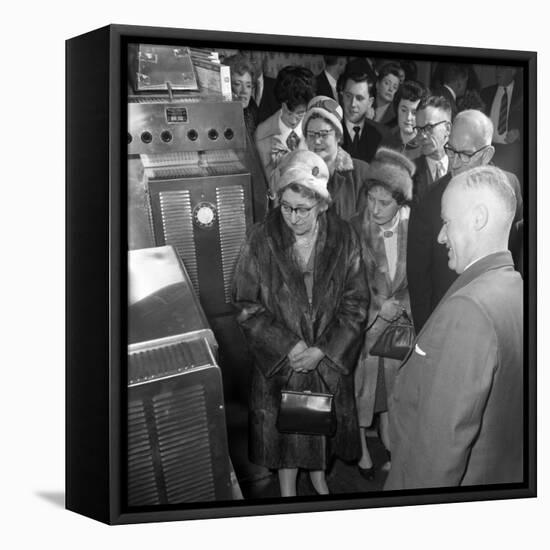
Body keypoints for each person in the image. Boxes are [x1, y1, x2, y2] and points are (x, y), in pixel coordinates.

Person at [232, 149, 369, 497]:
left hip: (324, 360)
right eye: (286, 206)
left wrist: (323, 350)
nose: (292, 217)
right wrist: (290, 346)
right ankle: (288, 492)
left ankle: (319, 476)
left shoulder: (344, 237)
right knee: (287, 438)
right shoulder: (260, 238)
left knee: (320, 428)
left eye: (302, 209)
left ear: (322, 204)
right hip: (282, 362)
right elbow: (246, 305)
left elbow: (356, 303)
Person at [385, 165, 523, 490]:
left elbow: (438, 453)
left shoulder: (469, 311)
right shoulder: (516, 287)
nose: (440, 236)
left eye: (446, 222)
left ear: (477, 218)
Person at [407, 109, 523, 333]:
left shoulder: (510, 187)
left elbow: (516, 253)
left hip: (500, 319)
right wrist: (425, 336)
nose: (455, 163)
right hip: (449, 323)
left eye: (465, 154)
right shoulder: (429, 201)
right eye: (450, 150)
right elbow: (419, 280)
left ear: (487, 154)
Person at [350, 147, 415, 479]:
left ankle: (393, 448)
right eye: (370, 199)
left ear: (401, 202)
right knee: (362, 392)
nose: (374, 209)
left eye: (384, 202)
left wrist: (399, 307)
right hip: (364, 330)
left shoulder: (413, 229)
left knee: (393, 392)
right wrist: (378, 307)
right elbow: (347, 287)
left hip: (400, 329)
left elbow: (416, 281)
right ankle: (362, 450)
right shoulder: (353, 230)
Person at [301, 95, 372, 220]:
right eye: (311, 135)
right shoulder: (299, 175)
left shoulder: (361, 173)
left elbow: (367, 226)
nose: (317, 141)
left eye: (323, 134)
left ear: (338, 136)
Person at [255, 66, 316, 181]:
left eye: (300, 113)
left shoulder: (318, 129)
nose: (293, 120)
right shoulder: (262, 133)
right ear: (281, 102)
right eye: (288, 112)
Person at [480, 65, 523, 186]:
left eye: (502, 69)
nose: (497, 72)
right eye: (497, 68)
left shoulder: (524, 93)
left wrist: (519, 133)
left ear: (513, 70)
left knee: (509, 187)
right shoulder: (485, 93)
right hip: (490, 150)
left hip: (512, 152)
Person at [338, 72, 387, 164]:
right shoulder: (331, 129)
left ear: (370, 102)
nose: (353, 104)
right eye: (348, 96)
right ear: (342, 96)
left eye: (359, 98)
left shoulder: (380, 135)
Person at [412, 95, 452, 202]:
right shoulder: (410, 172)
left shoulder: (461, 169)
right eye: (419, 129)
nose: (422, 136)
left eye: (429, 128)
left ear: (447, 129)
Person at [380, 80, 428, 160]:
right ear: (397, 109)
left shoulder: (427, 146)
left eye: (414, 112)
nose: (408, 117)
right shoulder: (386, 139)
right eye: (403, 110)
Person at [225, 54, 259, 136]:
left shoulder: (252, 108)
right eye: (237, 84)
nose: (245, 91)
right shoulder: (222, 116)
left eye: (248, 86)